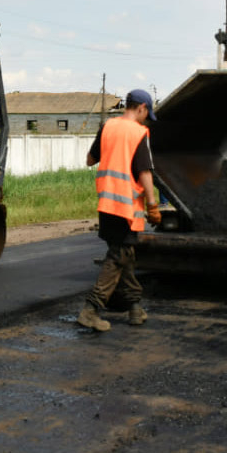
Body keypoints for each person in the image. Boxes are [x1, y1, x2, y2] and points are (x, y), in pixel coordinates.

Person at [78, 89, 162, 332]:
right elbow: (145, 172)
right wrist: (153, 205)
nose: (146, 119)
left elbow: (90, 160)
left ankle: (135, 307)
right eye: (147, 114)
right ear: (142, 108)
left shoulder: (108, 127)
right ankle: (91, 309)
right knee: (118, 257)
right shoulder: (138, 132)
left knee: (125, 255)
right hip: (126, 207)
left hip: (106, 203)